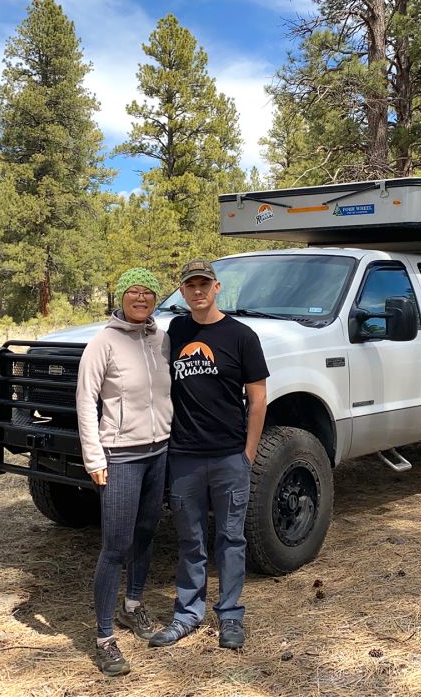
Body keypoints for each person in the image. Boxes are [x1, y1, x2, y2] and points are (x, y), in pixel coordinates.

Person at [149, 258, 269, 651]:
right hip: (183, 455)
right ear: (181, 292)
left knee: (231, 539)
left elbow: (258, 398)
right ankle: (187, 614)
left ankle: (231, 616)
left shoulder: (242, 336)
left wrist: (248, 454)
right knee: (190, 540)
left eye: (204, 284)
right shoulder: (176, 330)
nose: (197, 291)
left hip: (228, 457)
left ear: (217, 288)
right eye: (190, 286)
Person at [75, 267, 173, 676]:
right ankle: (103, 638)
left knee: (147, 532)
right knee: (115, 546)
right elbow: (85, 400)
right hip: (120, 455)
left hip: (159, 451)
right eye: (133, 291)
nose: (141, 298)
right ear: (121, 297)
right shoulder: (104, 342)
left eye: (148, 292)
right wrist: (94, 458)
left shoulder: (162, 339)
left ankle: (132, 606)